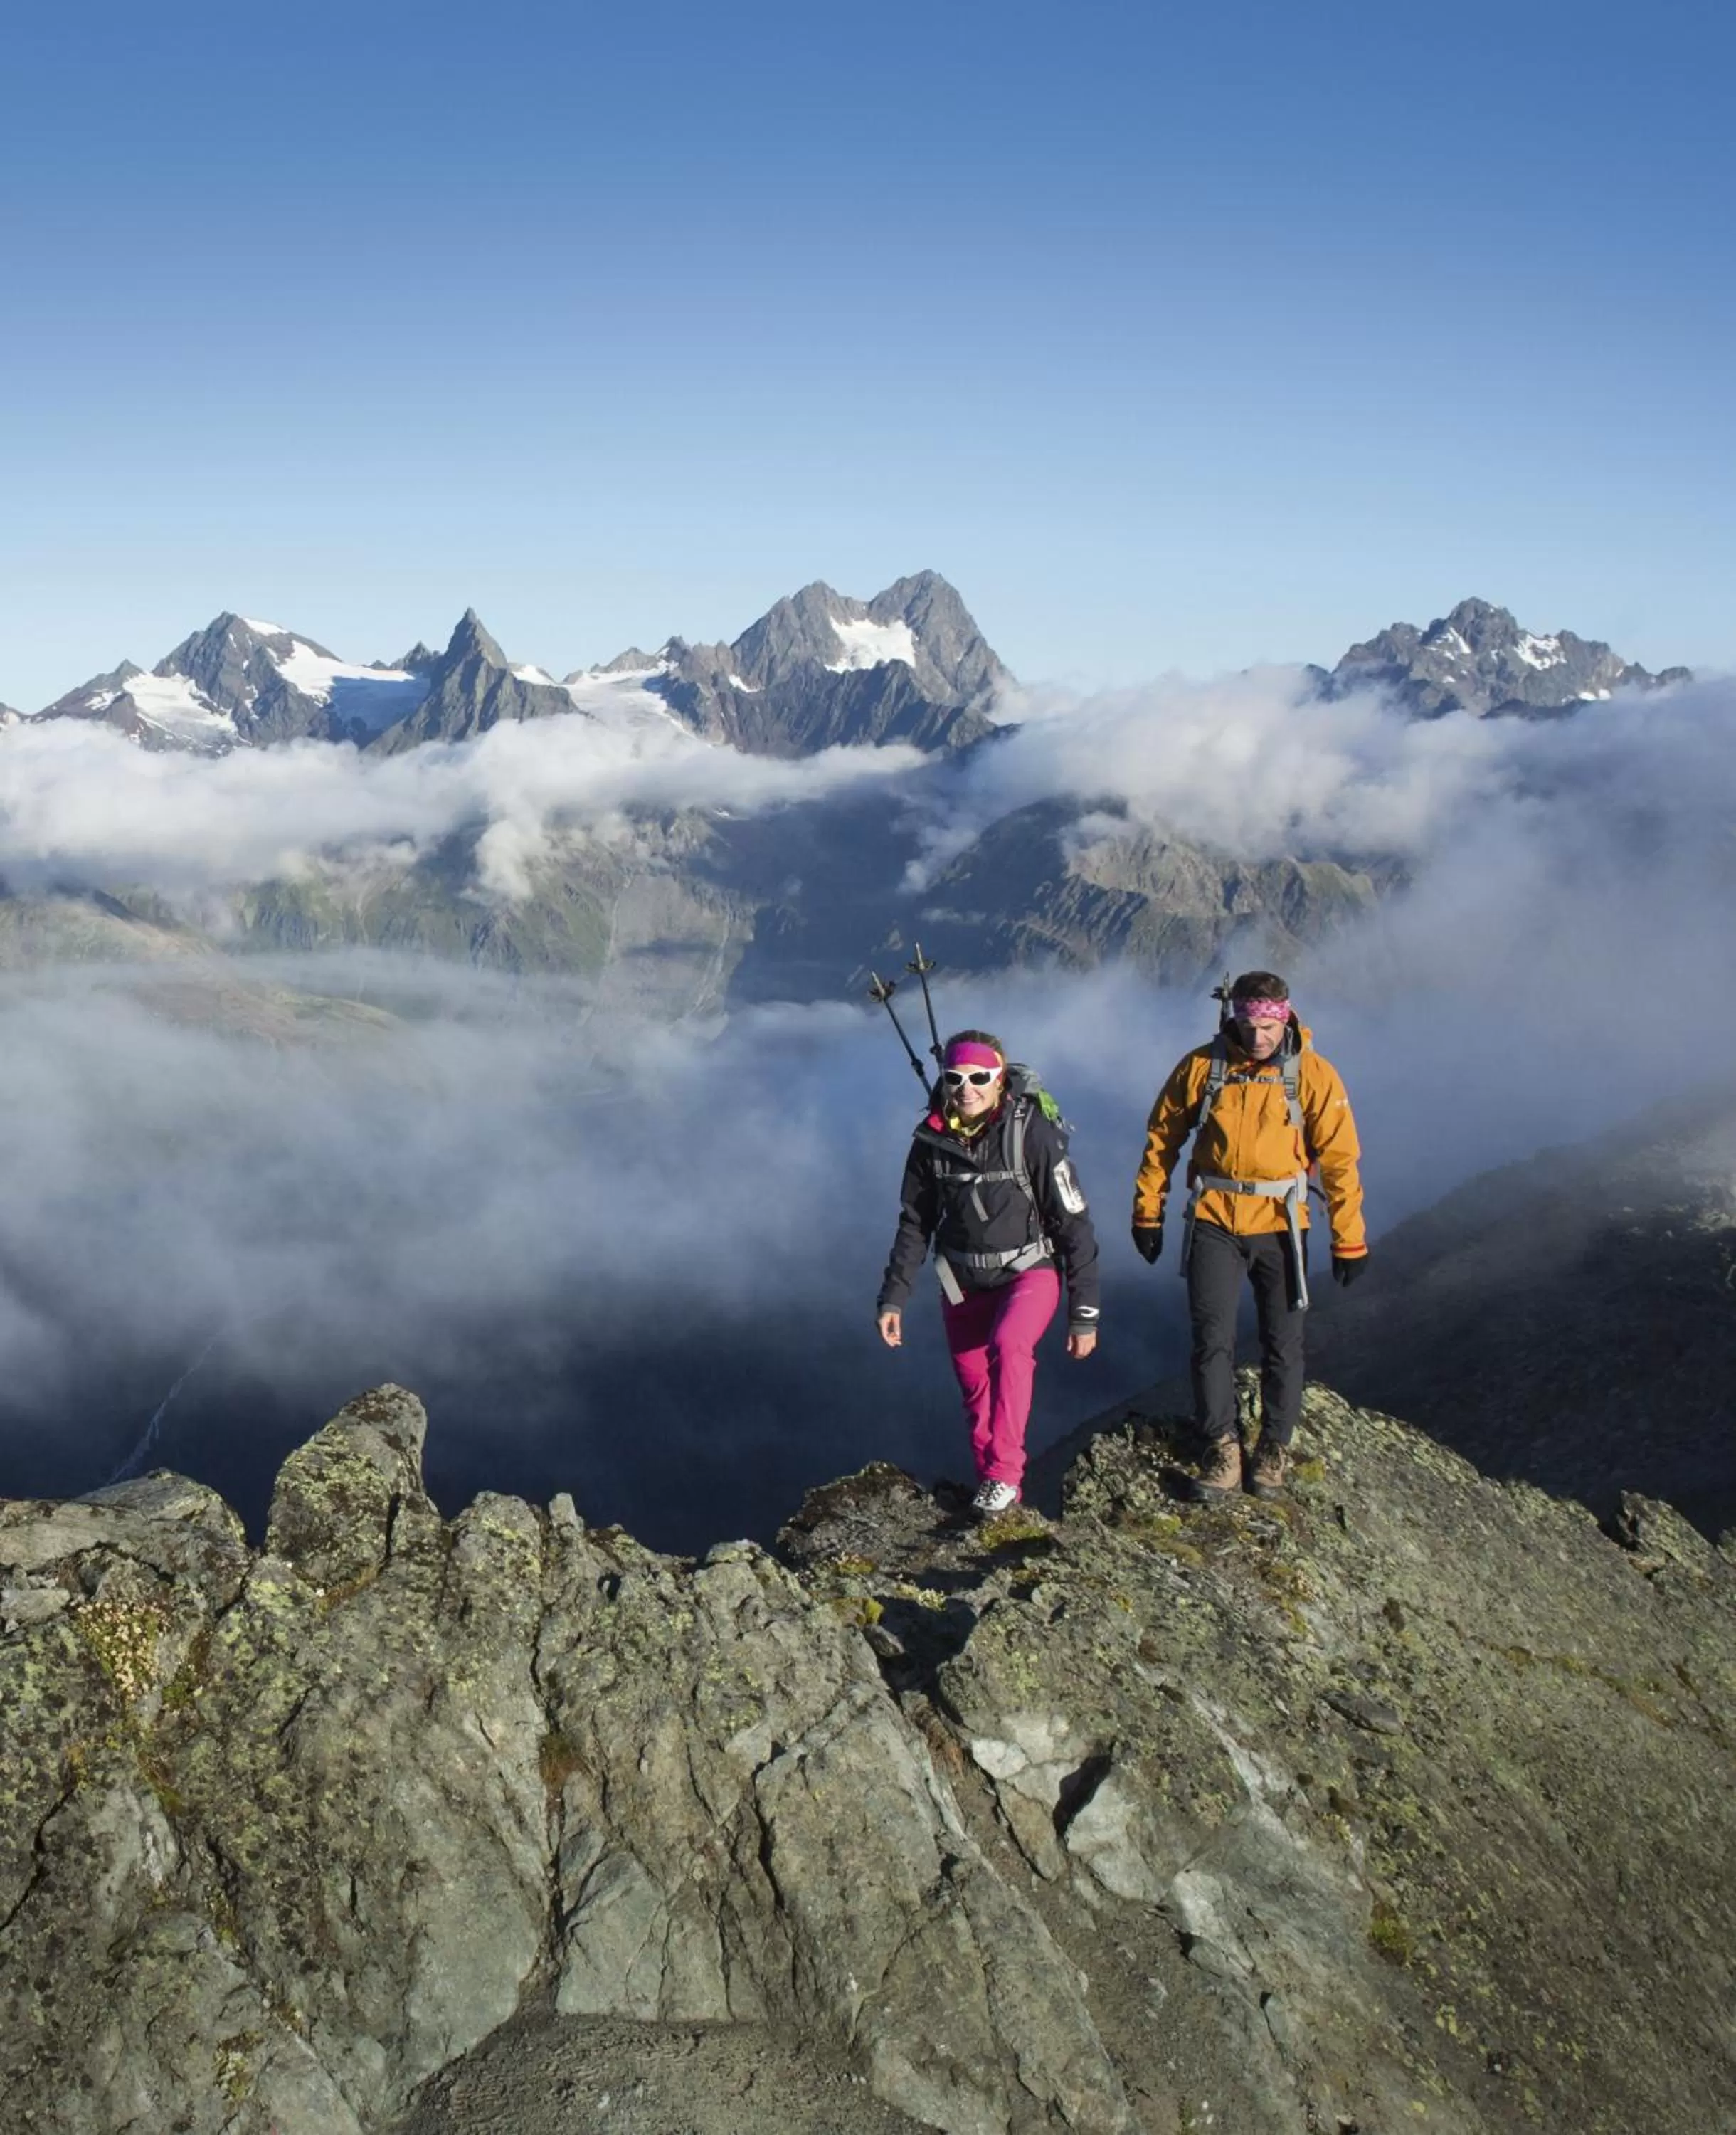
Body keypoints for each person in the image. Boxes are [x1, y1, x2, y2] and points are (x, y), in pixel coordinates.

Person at [1130, 972, 1367, 1499]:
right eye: (1248, 1023)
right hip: (1215, 1218)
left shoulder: (1313, 1074)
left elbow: (1340, 1160)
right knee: (1211, 1338)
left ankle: (1273, 1449)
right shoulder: (1203, 1067)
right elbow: (1162, 1138)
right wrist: (1148, 1212)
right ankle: (1222, 1446)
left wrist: (1349, 1238)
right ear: (1232, 1016)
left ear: (1285, 1017)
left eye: (1267, 1024)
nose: (1258, 1036)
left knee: (1283, 1341)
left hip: (1282, 1223)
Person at [877, 1030, 1101, 1515]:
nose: (967, 1088)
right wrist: (893, 1298)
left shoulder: (1032, 1134)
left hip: (1029, 1273)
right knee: (976, 1389)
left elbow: (1073, 1222)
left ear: (1000, 1081)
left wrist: (1084, 1312)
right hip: (961, 1283)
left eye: (980, 1077)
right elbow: (915, 1223)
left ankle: (1003, 1475)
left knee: (1010, 1347)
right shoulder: (930, 1143)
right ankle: (998, 1494)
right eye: (955, 1077)